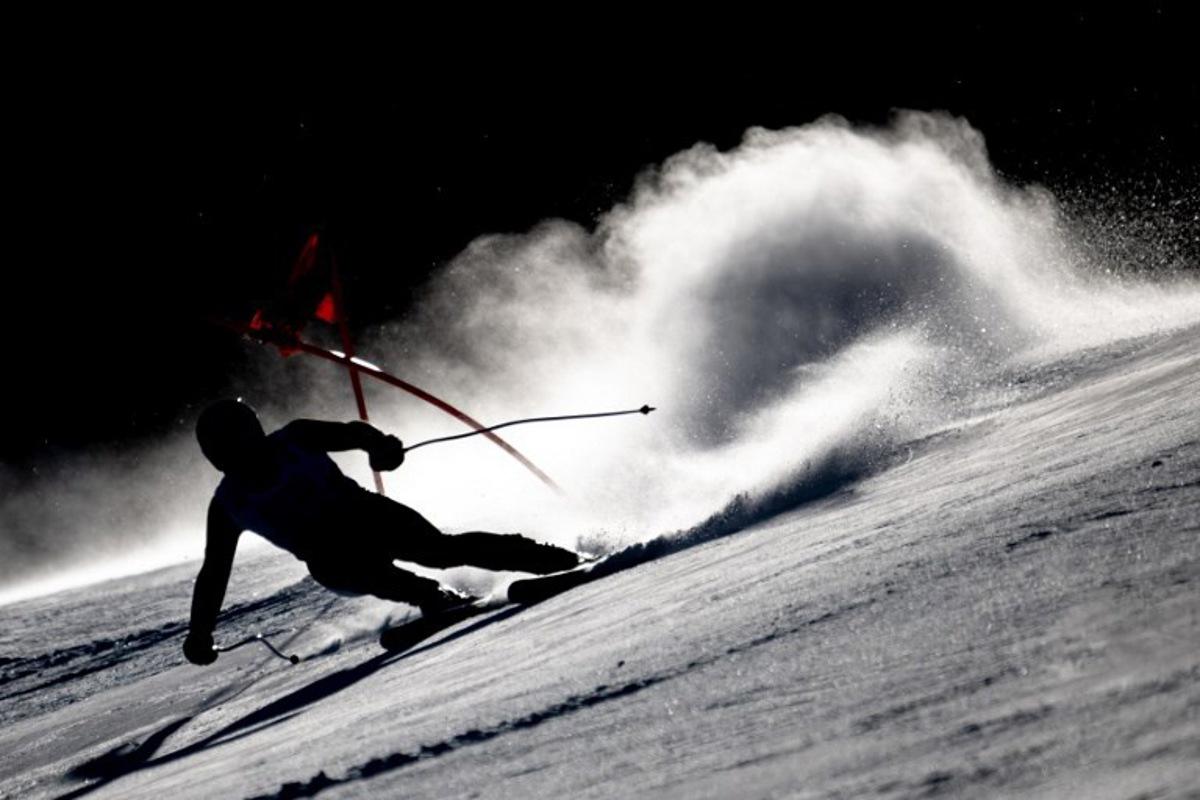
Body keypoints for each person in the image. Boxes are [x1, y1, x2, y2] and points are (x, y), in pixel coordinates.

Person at [182, 398, 581, 666]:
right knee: (334, 566)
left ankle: (550, 558)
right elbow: (215, 572)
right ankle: (433, 596)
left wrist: (381, 447)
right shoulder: (228, 504)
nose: (226, 457)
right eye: (216, 451)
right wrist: (200, 631)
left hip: (369, 517)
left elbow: (354, 433)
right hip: (336, 559)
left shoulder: (295, 439)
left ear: (251, 433)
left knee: (438, 551)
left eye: (229, 444)